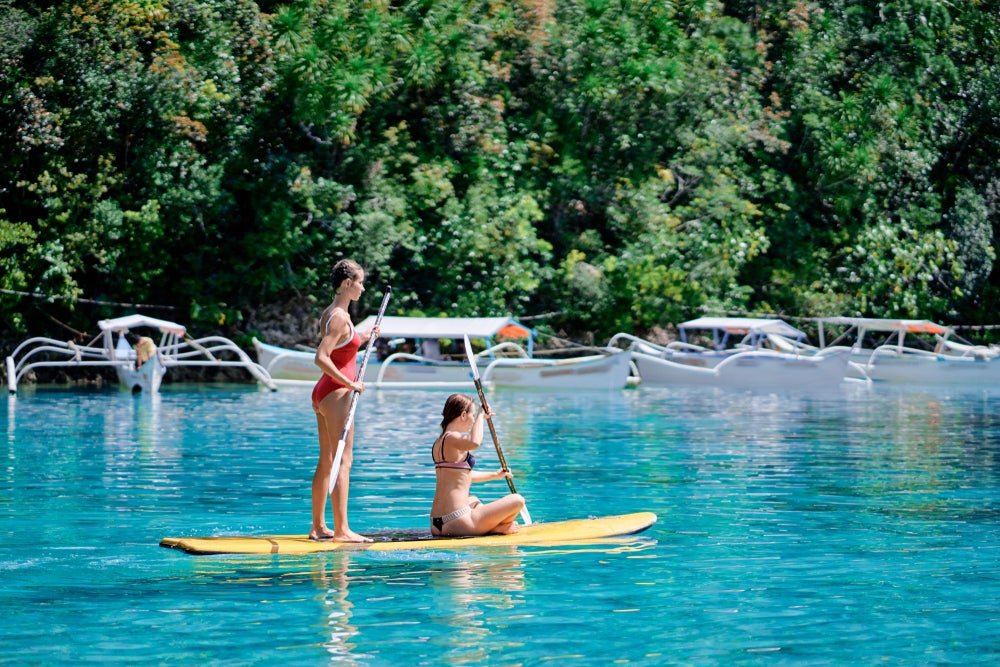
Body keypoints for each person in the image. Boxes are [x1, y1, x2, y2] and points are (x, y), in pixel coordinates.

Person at [309, 259, 379, 542]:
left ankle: (318, 528)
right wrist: (350, 383)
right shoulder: (339, 317)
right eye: (360, 282)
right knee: (343, 461)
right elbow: (321, 356)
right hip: (337, 393)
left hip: (323, 393)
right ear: (347, 284)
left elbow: (341, 346)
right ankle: (342, 530)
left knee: (327, 460)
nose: (362, 288)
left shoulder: (333, 313)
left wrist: (363, 336)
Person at [430, 393, 525, 536]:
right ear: (463, 415)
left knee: (473, 500)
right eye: (472, 415)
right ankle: (495, 529)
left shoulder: (439, 442)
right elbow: (475, 442)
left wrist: (495, 475)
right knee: (518, 500)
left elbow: (462, 477)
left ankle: (491, 526)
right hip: (457, 521)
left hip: (436, 524)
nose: (473, 420)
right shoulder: (452, 437)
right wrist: (481, 416)